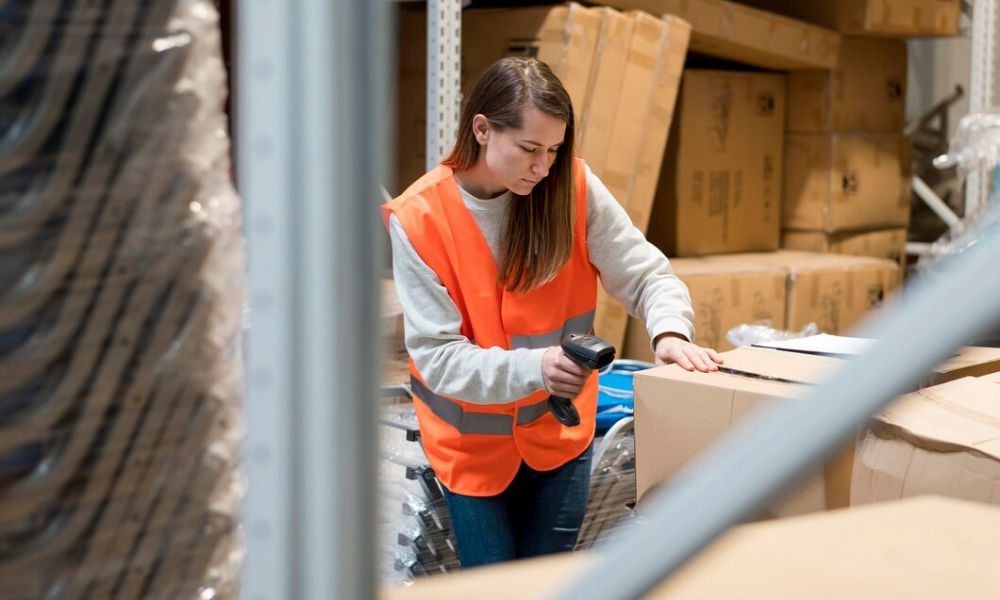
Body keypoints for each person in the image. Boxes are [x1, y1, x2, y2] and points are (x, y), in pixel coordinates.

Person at [382, 56, 723, 569]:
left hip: (558, 437)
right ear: (482, 129)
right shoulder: (419, 219)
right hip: (471, 450)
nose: (543, 168)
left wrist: (669, 333)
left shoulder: (571, 188)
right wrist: (536, 368)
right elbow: (439, 358)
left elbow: (647, 274)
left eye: (554, 151)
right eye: (528, 150)